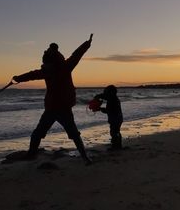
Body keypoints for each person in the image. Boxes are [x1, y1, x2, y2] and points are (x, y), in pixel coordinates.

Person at [12, 34, 93, 165]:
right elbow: (33, 74)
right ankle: (31, 154)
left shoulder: (64, 67)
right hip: (52, 109)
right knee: (38, 133)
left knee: (72, 134)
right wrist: (19, 78)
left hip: (62, 109)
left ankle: (84, 157)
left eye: (47, 62)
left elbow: (77, 55)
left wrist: (87, 44)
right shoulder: (51, 70)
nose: (45, 64)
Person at [94, 85, 123, 150]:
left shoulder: (112, 100)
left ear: (110, 93)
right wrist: (98, 96)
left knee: (114, 132)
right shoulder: (113, 98)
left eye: (106, 92)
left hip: (115, 119)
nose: (105, 94)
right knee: (116, 131)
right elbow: (104, 96)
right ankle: (118, 145)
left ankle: (115, 146)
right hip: (118, 118)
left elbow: (108, 110)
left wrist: (100, 109)